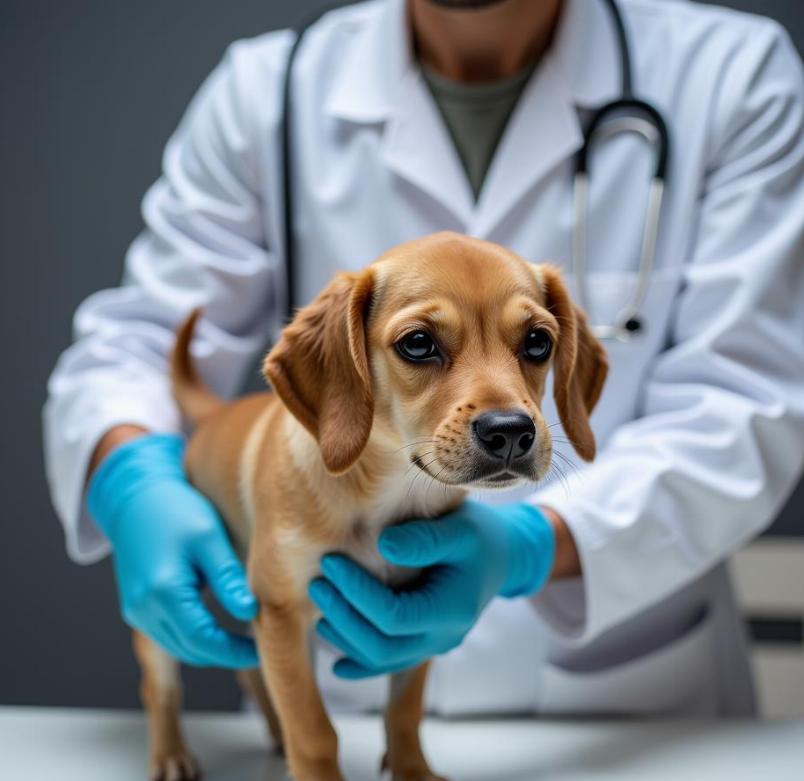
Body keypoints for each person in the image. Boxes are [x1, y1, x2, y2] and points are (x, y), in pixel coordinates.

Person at [44, 0, 804, 716]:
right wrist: (127, 473)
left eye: (533, 340)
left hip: (628, 710)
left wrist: (535, 546)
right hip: (335, 701)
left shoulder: (732, 76)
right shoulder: (266, 93)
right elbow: (140, 340)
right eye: (418, 344)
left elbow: (748, 403)